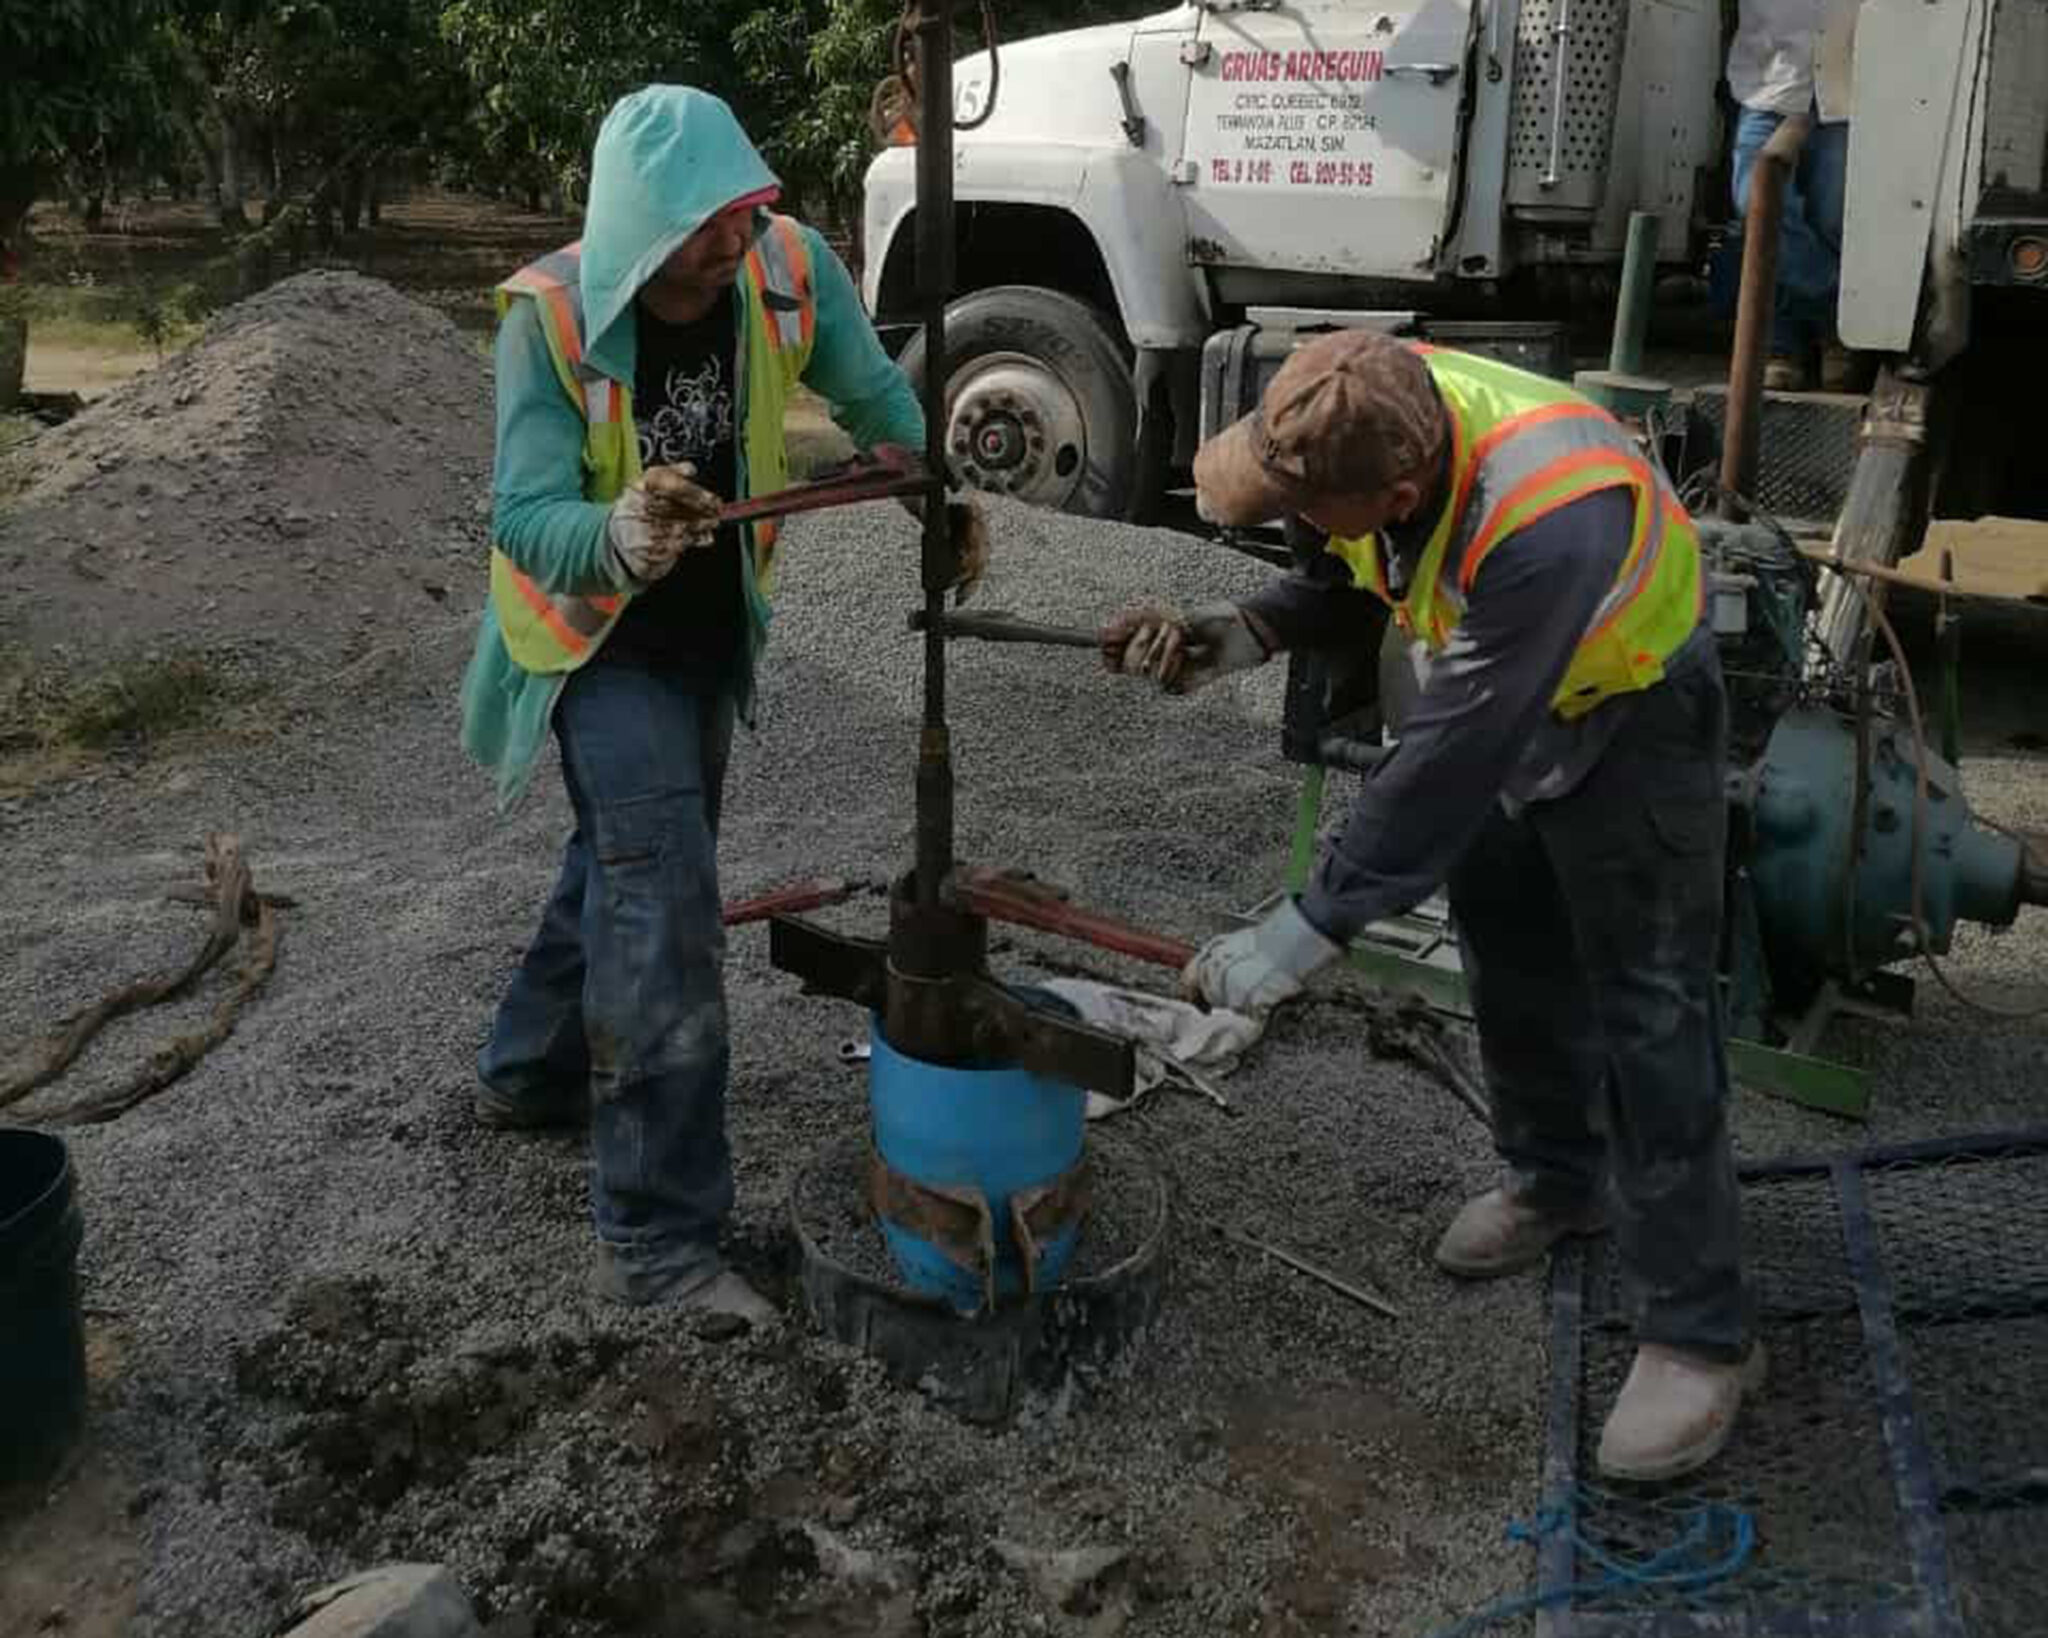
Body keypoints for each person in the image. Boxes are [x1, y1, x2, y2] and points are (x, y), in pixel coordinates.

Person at [1102, 332, 1758, 1481]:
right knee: (1509, 957)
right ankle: (1558, 1183)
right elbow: (1348, 569)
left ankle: (1700, 1335)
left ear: (1395, 492)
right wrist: (1246, 630)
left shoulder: (1551, 516)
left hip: (1630, 716)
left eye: (1319, 509)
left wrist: (1307, 925)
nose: (1301, 521)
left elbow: (1449, 754)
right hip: (1502, 692)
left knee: (1648, 1013)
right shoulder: (1358, 396)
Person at [460, 86, 981, 1319]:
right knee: (664, 904)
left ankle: (527, 1069)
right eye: (703, 226)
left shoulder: (789, 267)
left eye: (744, 209)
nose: (734, 240)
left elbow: (875, 402)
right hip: (596, 643)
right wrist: (623, 528)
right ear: (638, 233)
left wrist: (935, 491)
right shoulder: (547, 322)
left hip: (707, 636)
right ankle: (654, 1241)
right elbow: (524, 517)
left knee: (628, 855)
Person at [1727, 0, 1863, 390]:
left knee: (1831, 218)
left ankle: (1782, 346)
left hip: (1845, 90)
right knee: (1757, 206)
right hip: (1771, 86)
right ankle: (1837, 317)